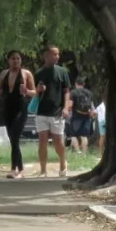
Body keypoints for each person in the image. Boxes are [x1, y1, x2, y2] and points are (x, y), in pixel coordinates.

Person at [0, 50, 35, 178]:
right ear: (8, 60)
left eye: (18, 59)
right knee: (12, 139)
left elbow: (35, 93)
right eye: (13, 58)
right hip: (8, 108)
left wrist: (27, 91)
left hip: (21, 107)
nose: (16, 61)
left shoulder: (26, 74)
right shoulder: (4, 74)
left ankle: (14, 169)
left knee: (15, 136)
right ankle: (21, 169)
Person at [34, 45, 72, 177]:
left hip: (57, 112)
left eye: (58, 54)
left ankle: (62, 162)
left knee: (58, 142)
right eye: (54, 54)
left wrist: (66, 107)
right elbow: (35, 93)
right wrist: (38, 90)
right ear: (46, 56)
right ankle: (43, 170)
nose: (57, 57)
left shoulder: (63, 72)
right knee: (42, 141)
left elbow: (66, 91)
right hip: (41, 112)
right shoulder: (38, 73)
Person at [69, 79, 94, 153]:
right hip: (87, 116)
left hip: (76, 116)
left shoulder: (73, 92)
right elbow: (92, 106)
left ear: (76, 84)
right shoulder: (89, 92)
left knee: (73, 135)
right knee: (84, 135)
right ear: (83, 84)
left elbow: (70, 105)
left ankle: (78, 152)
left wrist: (68, 111)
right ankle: (84, 153)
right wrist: (92, 113)